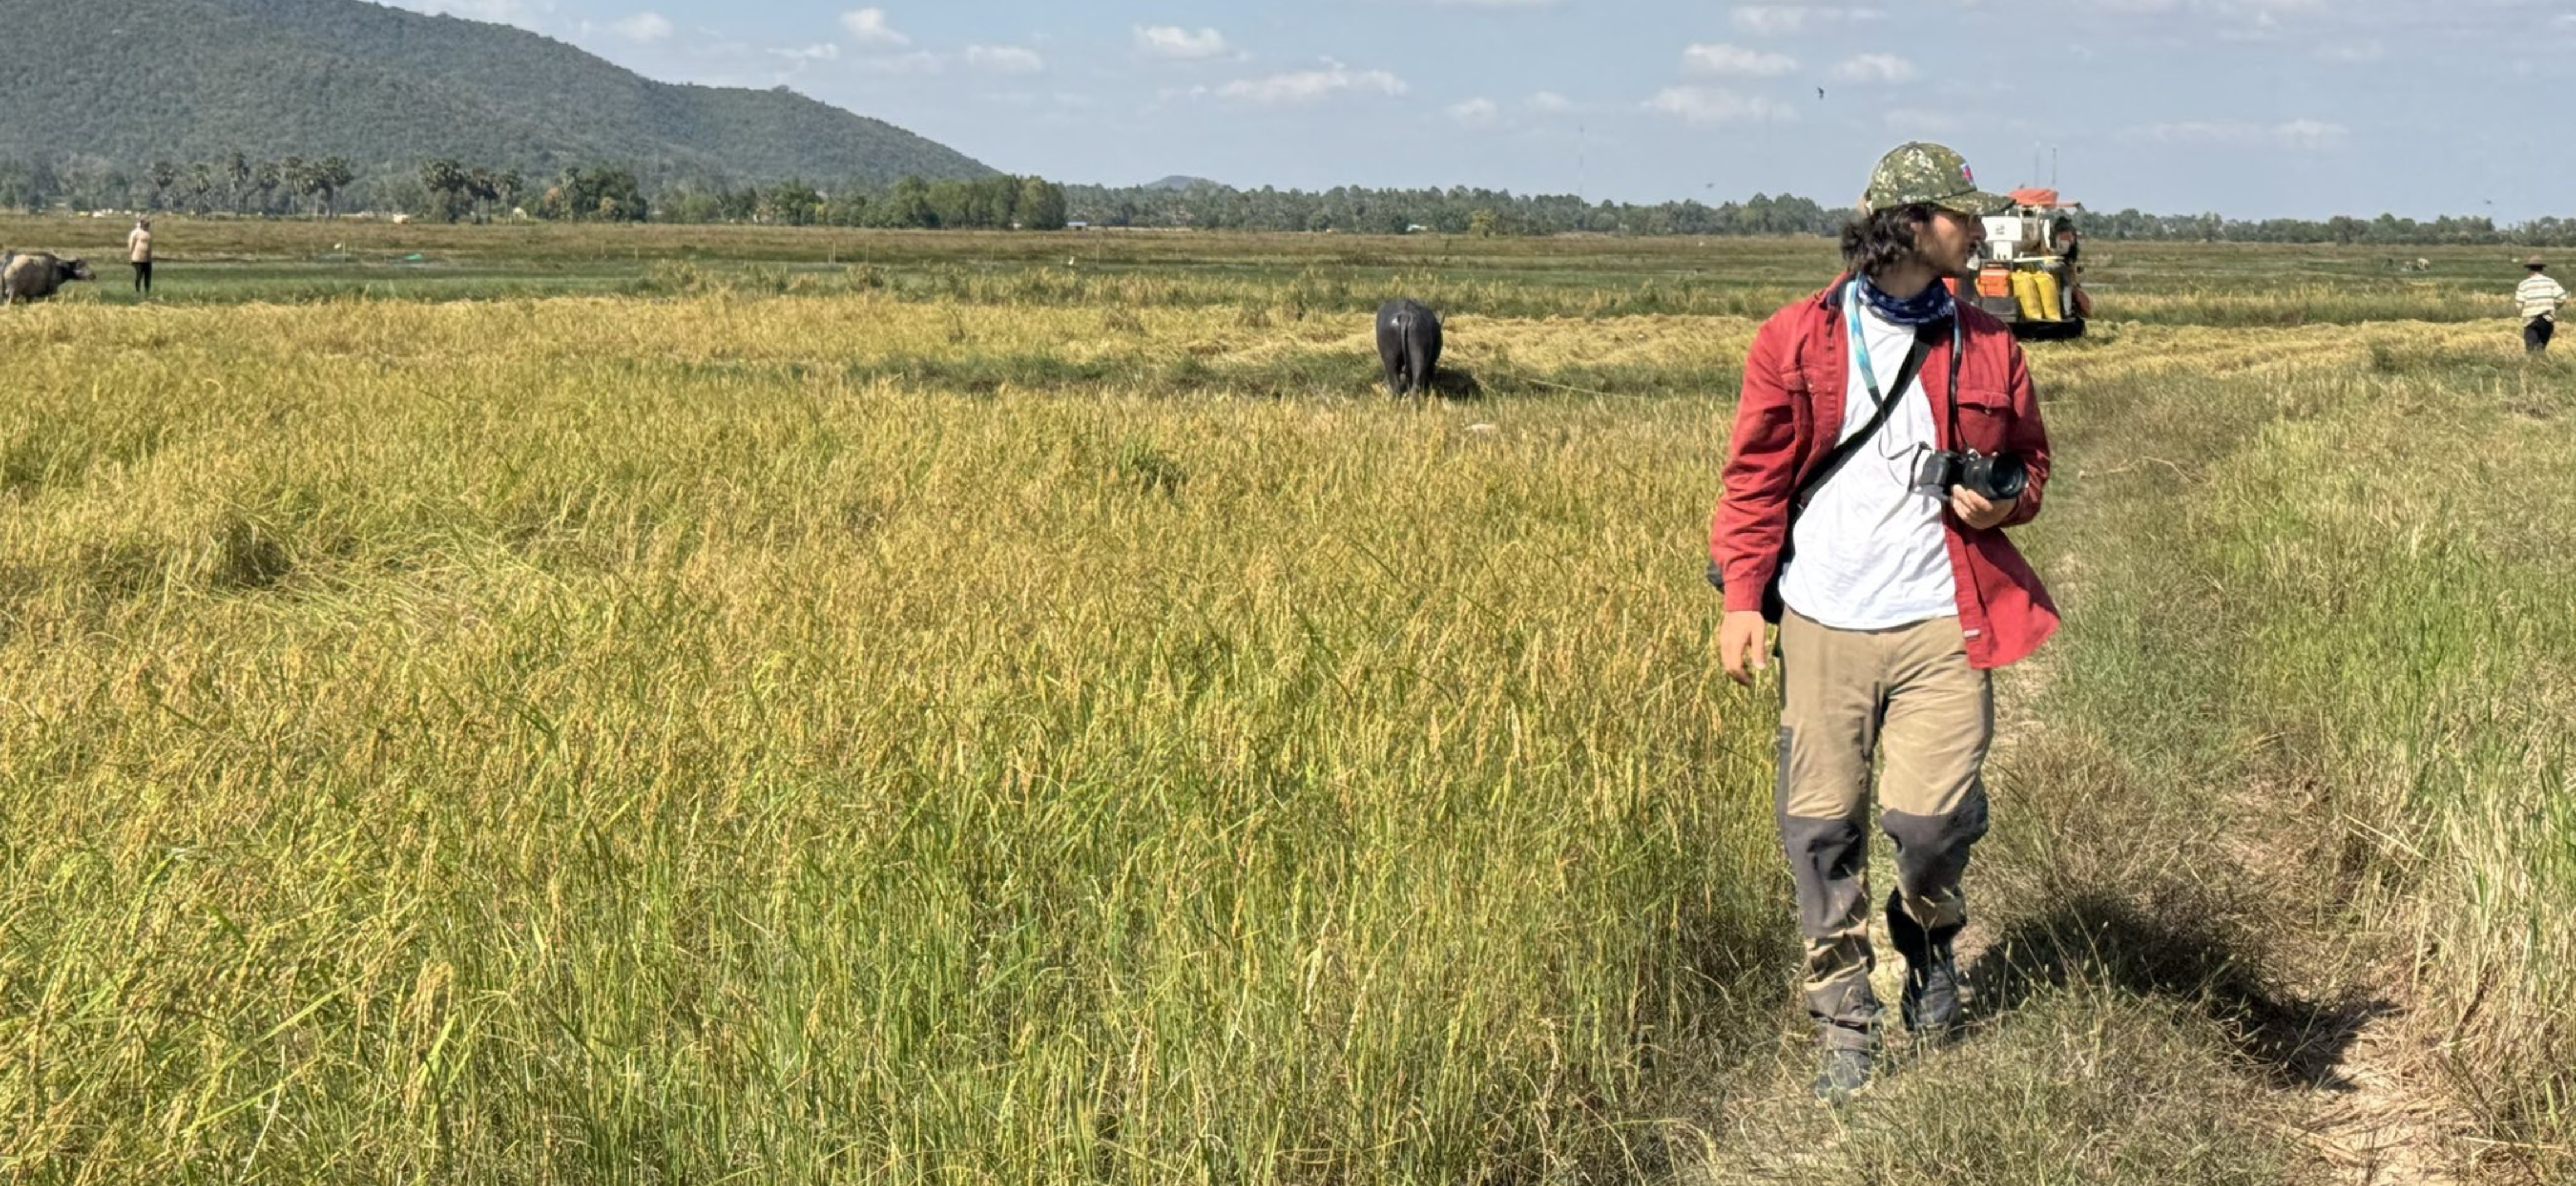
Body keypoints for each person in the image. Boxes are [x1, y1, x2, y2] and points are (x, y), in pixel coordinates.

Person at [1708, 141, 2057, 1101]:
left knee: (1930, 820)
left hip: (1944, 616)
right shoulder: (1795, 338)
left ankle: (1928, 933)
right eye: (1958, 214)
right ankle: (1846, 1025)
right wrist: (1744, 600)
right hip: (1823, 621)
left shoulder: (1989, 343)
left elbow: (2030, 462)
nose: (1975, 227)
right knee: (1819, 831)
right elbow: (1754, 479)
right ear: (1909, 224)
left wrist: (2004, 503)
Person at [2515, 255, 2564, 354]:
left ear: (2530, 269)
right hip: (2547, 320)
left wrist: (2525, 312)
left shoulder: (2524, 284)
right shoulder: (2551, 282)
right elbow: (2562, 298)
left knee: (2531, 351)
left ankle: (2534, 367)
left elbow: (2519, 305)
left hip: (2530, 320)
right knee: (2541, 349)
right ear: (2542, 269)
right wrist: (2554, 308)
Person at [127, 216, 153, 298]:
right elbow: (131, 244)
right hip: (137, 258)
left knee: (148, 276)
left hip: (147, 259)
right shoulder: (136, 233)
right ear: (142, 224)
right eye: (146, 224)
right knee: (139, 276)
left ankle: (147, 292)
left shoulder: (148, 233)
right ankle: (137, 291)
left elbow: (149, 246)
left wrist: (150, 256)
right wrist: (131, 256)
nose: (148, 225)